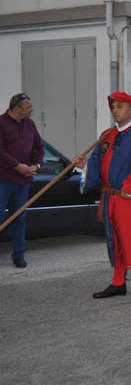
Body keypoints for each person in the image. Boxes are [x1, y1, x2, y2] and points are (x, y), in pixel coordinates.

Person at [72, 92, 131, 298]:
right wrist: (84, 166)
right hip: (110, 198)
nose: (115, 111)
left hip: (130, 197)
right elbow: (97, 163)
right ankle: (118, 283)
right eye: (113, 107)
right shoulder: (107, 135)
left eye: (120, 107)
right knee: (114, 241)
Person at [0, 93, 44, 268]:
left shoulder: (30, 125)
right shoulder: (1, 123)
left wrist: (36, 166)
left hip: (23, 181)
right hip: (3, 179)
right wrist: (17, 166)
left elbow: (39, 147)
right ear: (17, 108)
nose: (31, 110)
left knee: (19, 217)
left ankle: (19, 255)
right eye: (28, 107)